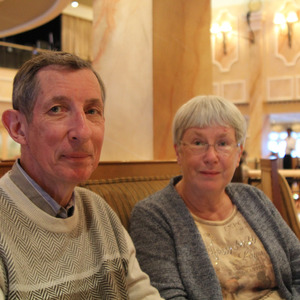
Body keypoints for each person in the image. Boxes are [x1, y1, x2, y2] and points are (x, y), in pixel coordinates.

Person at [0, 51, 162, 299]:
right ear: (18, 128)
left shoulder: (100, 212)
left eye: (92, 111)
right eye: (57, 109)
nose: (83, 132)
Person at [130, 95, 300, 299]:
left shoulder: (254, 198)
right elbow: (169, 295)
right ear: (178, 151)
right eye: (198, 142)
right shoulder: (153, 216)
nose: (211, 157)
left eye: (223, 143)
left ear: (239, 154)